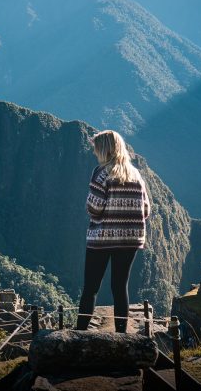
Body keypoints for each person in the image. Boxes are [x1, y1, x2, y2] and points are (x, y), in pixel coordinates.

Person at [76, 130, 151, 333]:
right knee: (120, 287)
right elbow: (146, 210)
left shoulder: (101, 173)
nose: (93, 152)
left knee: (91, 288)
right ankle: (121, 334)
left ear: (104, 149)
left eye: (95, 148)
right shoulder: (135, 175)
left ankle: (79, 333)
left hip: (102, 238)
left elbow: (94, 208)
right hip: (130, 240)